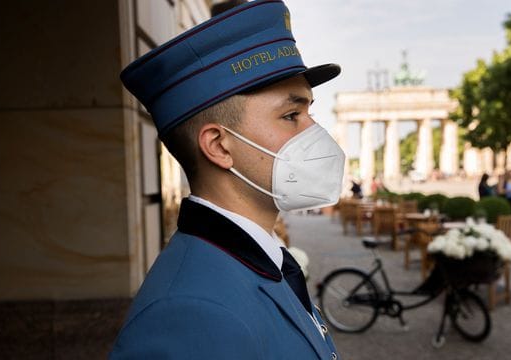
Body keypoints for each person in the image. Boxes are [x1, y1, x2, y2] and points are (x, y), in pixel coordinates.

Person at [110, 1, 345, 359]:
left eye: (310, 111)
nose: (315, 132)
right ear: (219, 146)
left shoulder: (255, 259)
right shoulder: (189, 314)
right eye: (291, 115)